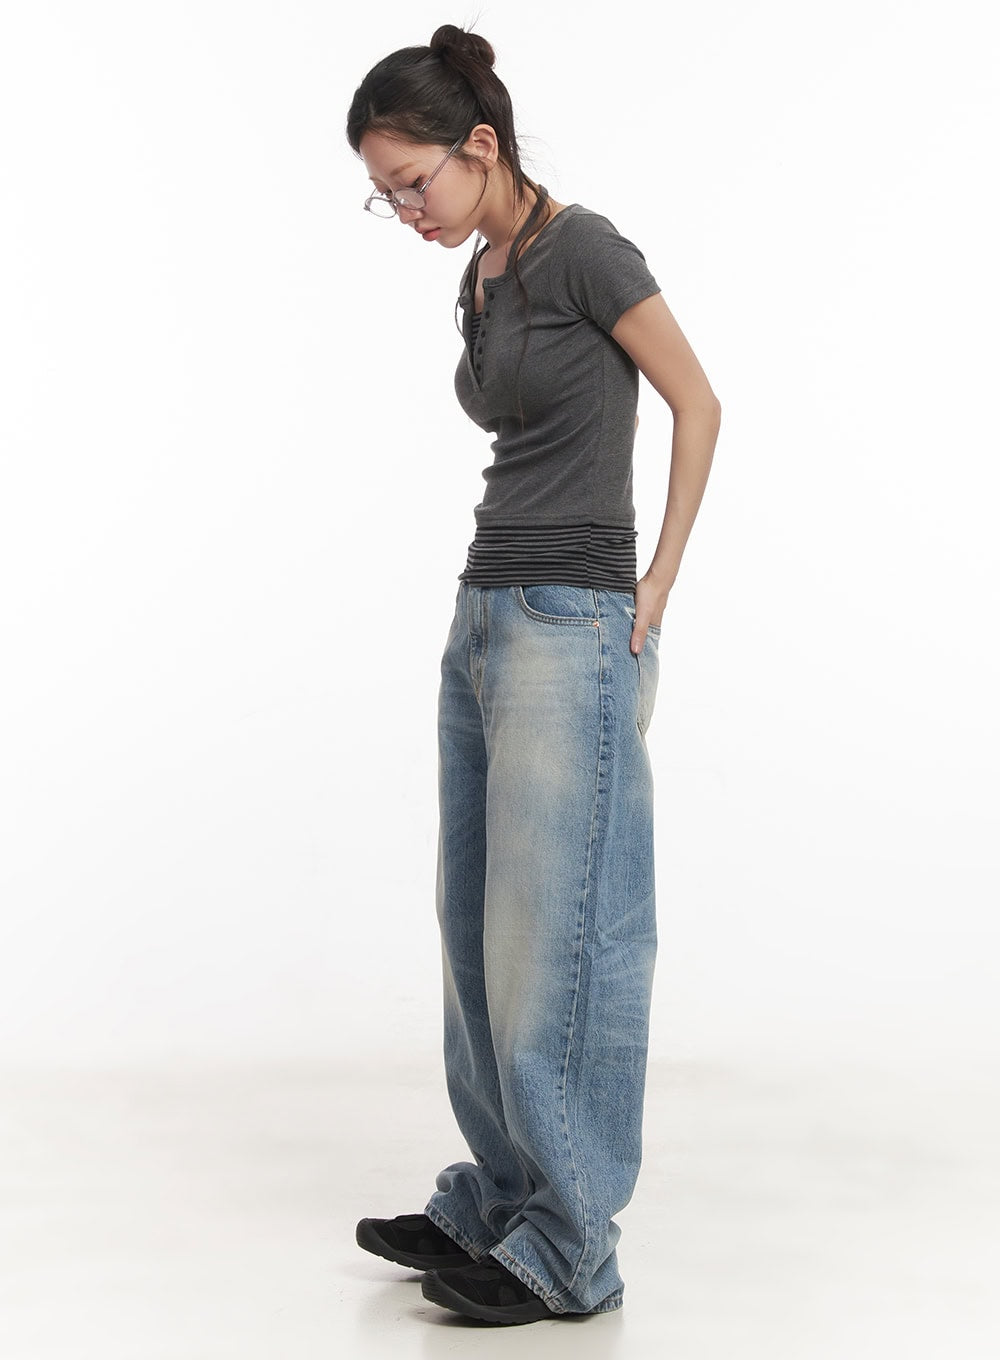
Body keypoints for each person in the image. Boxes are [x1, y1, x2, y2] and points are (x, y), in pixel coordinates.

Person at [346, 22, 721, 1327]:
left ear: (480, 145)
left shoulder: (586, 250)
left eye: (412, 183)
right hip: (485, 615)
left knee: (560, 939)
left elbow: (698, 401)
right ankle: (501, 1197)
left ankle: (570, 1246)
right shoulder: (484, 274)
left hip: (574, 620)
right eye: (384, 194)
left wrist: (654, 584)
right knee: (474, 931)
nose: (404, 210)